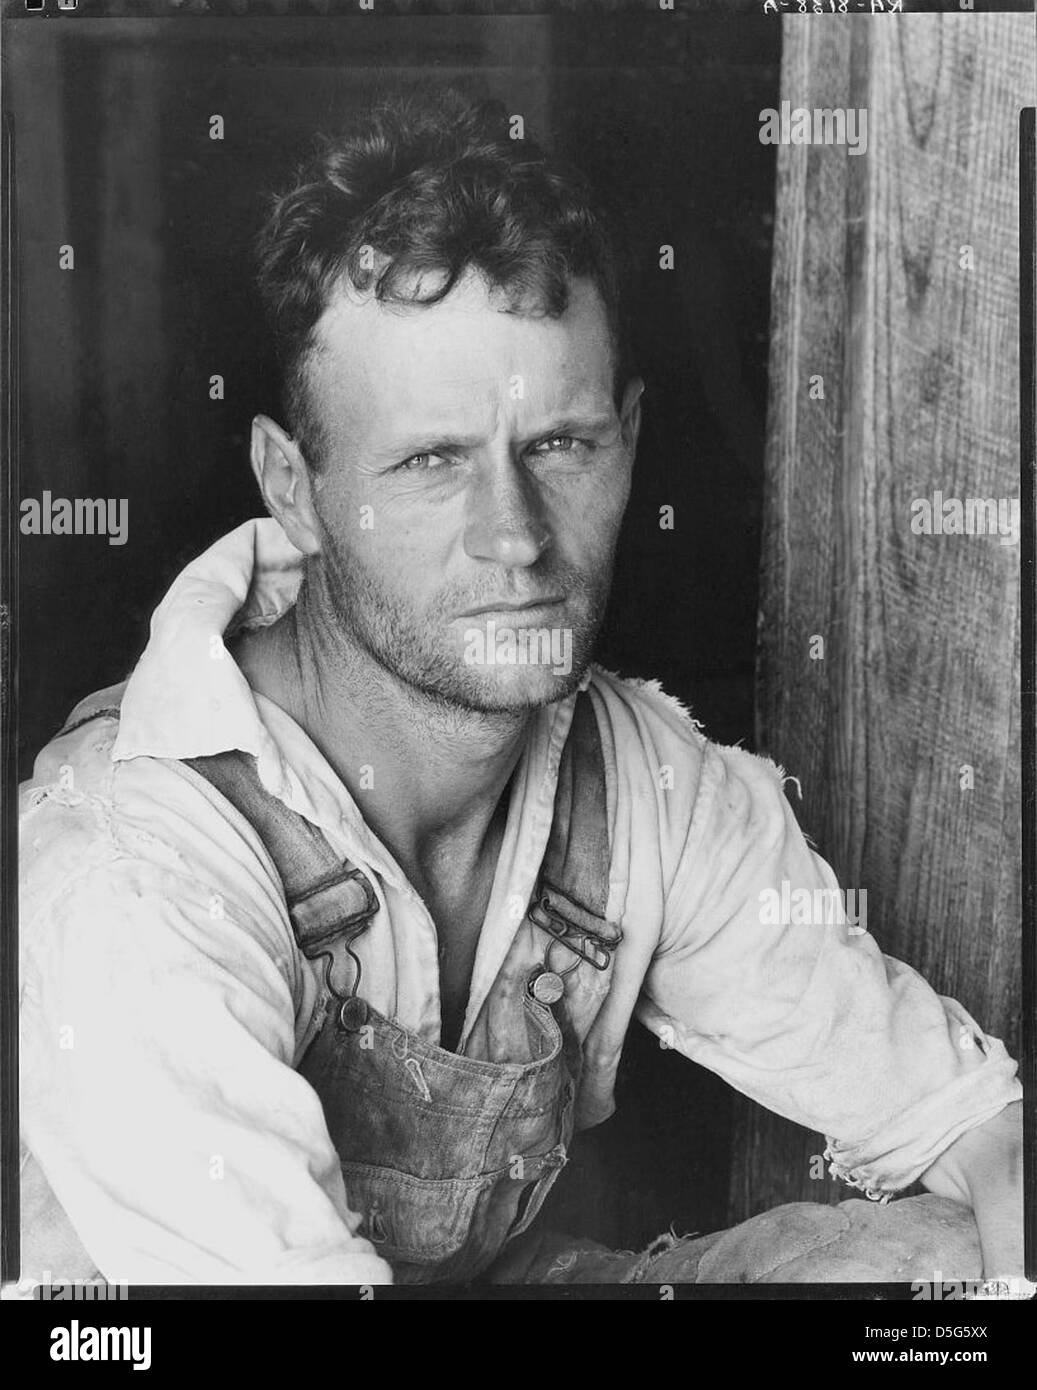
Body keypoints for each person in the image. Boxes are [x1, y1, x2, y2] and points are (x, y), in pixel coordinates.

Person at [16, 87, 1022, 1288]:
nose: (515, 537)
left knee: (941, 1265)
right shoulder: (133, 863)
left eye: (557, 445)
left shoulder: (638, 781)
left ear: (628, 439)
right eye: (432, 462)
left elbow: (983, 1133)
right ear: (293, 485)